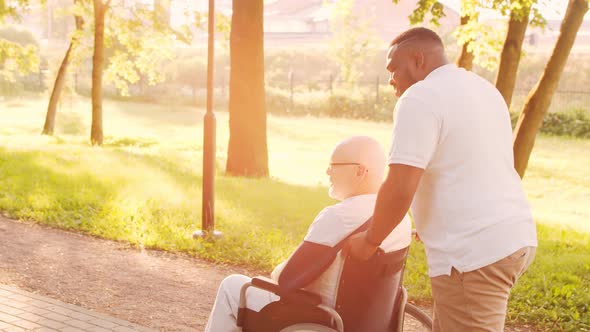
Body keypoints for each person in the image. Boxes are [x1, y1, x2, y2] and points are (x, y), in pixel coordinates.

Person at [346, 27, 538, 332]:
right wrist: (432, 218)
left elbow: (399, 185)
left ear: (418, 59)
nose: (391, 78)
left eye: (394, 67)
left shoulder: (420, 98)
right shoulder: (482, 89)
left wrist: (369, 241)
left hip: (474, 253)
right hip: (514, 237)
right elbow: (471, 163)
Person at [205, 136, 412, 332]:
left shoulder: (338, 216)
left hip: (321, 319)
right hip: (369, 323)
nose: (327, 172)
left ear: (360, 171)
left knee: (232, 286)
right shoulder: (399, 219)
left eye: (334, 166)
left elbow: (284, 278)